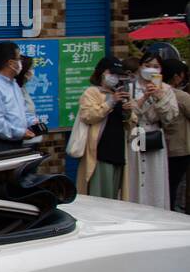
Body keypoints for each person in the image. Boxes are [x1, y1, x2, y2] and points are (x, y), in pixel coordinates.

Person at [124, 52, 177, 209]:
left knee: (155, 176)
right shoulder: (130, 87)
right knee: (133, 175)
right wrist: (145, 97)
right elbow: (128, 113)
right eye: (147, 66)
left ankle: (157, 210)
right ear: (140, 67)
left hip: (154, 133)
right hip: (134, 133)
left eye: (156, 66)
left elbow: (171, 116)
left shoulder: (166, 89)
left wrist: (159, 96)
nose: (151, 69)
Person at [74, 55, 132, 200]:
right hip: (100, 153)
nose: (115, 77)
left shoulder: (119, 93)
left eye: (118, 74)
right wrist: (110, 102)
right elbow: (88, 115)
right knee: (99, 197)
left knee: (114, 196)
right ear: (101, 73)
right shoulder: (92, 92)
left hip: (118, 152)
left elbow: (130, 122)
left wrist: (128, 111)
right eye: (111, 73)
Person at [0, 41, 44, 152]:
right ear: (11, 63)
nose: (20, 63)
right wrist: (20, 132)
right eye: (18, 58)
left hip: (16, 143)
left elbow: (23, 111)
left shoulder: (14, 85)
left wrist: (33, 122)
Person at [162, 59, 190, 212]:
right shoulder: (181, 96)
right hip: (180, 147)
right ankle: (173, 212)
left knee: (167, 185)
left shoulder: (156, 91)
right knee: (175, 185)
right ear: (176, 76)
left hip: (161, 146)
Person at [16, 57, 44, 147]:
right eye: (31, 68)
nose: (32, 72)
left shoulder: (22, 88)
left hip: (30, 137)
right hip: (21, 138)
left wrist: (34, 122)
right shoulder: (15, 89)